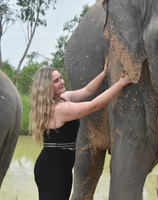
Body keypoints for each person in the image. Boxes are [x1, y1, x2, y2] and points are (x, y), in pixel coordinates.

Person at [29, 57, 131, 200]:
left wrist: (104, 73)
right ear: (47, 87)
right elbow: (94, 105)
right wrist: (121, 83)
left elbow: (87, 91)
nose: (62, 81)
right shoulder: (58, 109)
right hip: (52, 170)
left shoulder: (62, 99)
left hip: (60, 167)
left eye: (61, 78)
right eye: (56, 81)